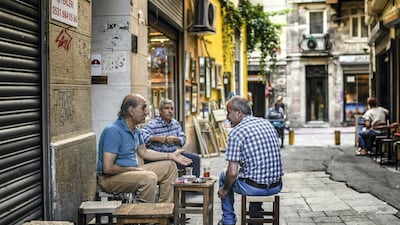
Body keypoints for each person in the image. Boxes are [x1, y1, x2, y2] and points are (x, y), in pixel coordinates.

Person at [97, 94, 193, 203]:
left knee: (170, 166)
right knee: (148, 178)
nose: (147, 112)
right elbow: (108, 168)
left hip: (132, 171)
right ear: (131, 110)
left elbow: (144, 152)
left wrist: (171, 155)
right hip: (110, 178)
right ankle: (146, 217)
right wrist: (133, 169)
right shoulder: (113, 131)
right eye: (143, 108)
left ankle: (164, 213)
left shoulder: (136, 130)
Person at [217, 96, 284, 225]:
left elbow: (232, 173)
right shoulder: (266, 123)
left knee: (223, 175)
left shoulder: (236, 133)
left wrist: (225, 189)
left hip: (254, 188)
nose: (227, 117)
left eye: (228, 112)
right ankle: (255, 215)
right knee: (254, 174)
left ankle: (228, 220)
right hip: (276, 186)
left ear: (239, 113)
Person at [141, 99, 201, 177]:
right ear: (160, 111)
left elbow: (183, 138)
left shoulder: (175, 123)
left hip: (174, 154)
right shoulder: (153, 124)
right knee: (172, 163)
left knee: (195, 159)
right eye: (167, 108)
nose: (170, 111)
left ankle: (193, 187)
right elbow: (141, 135)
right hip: (159, 157)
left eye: (172, 109)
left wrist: (175, 139)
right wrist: (155, 138)